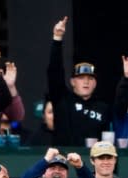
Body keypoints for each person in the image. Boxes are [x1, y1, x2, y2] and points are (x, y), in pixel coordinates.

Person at [47, 17, 111, 146]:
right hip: (65, 161)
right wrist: (57, 39)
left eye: (90, 79)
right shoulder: (62, 99)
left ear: (95, 84)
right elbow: (54, 72)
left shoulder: (103, 107)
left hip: (92, 161)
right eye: (81, 78)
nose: (86, 82)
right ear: (72, 82)